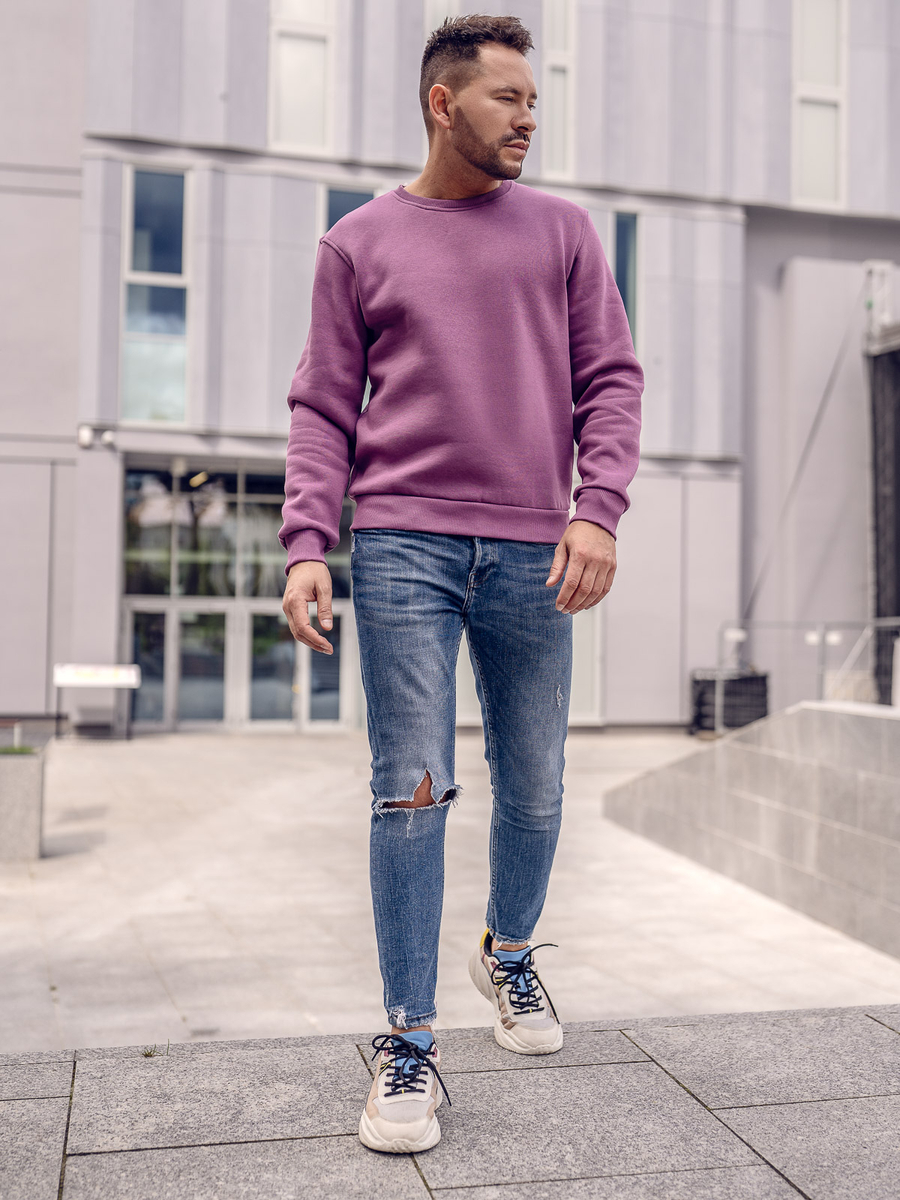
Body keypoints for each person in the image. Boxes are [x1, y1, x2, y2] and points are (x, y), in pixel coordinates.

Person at [279, 13, 643, 1155]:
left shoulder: (564, 233)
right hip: (402, 544)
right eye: (508, 99)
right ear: (445, 104)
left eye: (535, 100)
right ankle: (409, 1042)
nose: (529, 118)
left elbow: (611, 379)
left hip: (536, 547)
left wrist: (598, 509)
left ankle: (510, 951)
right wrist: (306, 541)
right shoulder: (358, 244)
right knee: (411, 787)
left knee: (535, 781)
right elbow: (323, 405)